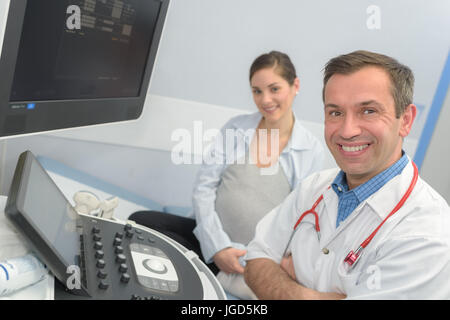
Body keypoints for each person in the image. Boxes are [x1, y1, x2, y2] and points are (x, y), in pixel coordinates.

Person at [244, 50, 450, 300]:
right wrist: (317, 297)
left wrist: (285, 278)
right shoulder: (314, 187)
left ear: (405, 120)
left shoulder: (426, 234)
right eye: (335, 113)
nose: (348, 130)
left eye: (368, 111)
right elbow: (256, 259)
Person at [128, 51, 325, 296]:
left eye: (274, 89)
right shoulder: (236, 128)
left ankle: (213, 273)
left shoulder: (310, 150)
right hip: (212, 240)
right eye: (257, 91)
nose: (265, 99)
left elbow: (299, 220)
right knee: (140, 222)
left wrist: (249, 257)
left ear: (295, 85)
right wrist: (218, 248)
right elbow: (204, 189)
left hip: (256, 256)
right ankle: (212, 268)